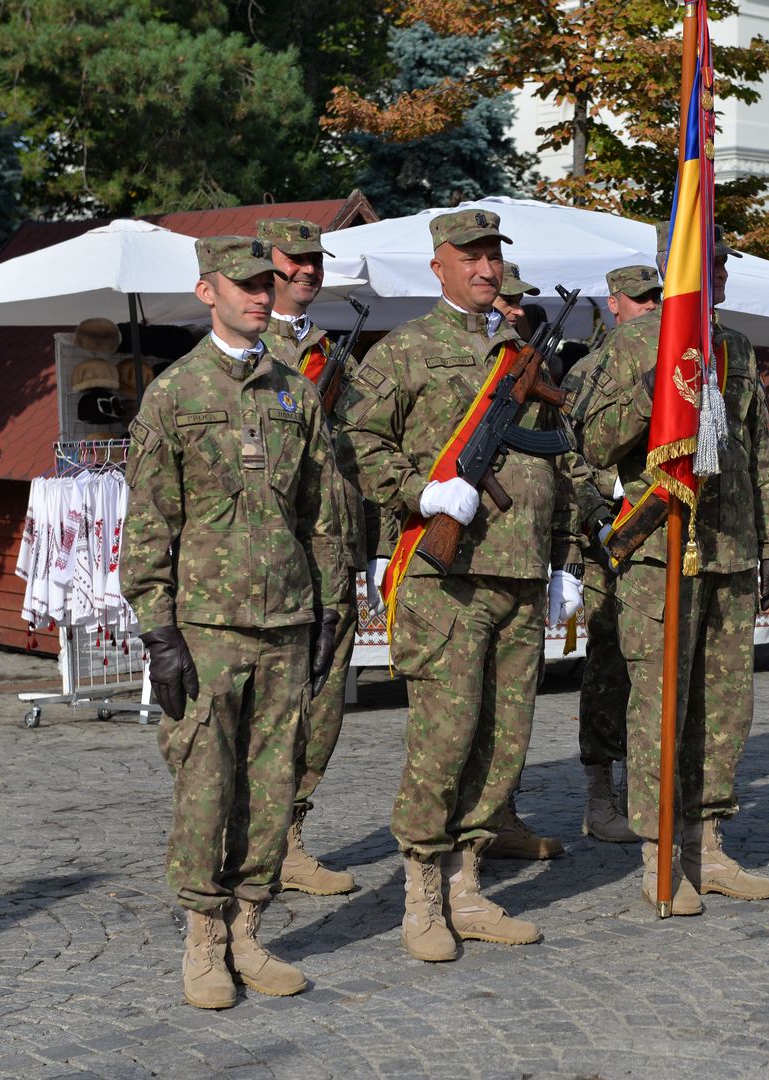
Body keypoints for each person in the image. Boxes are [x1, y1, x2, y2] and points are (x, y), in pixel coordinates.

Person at [339, 208, 582, 962]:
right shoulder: (405, 350)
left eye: (492, 258)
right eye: (469, 257)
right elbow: (355, 444)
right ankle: (421, 894)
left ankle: (469, 885)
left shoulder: (519, 351)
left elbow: (557, 462)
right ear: (437, 264)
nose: (485, 269)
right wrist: (421, 493)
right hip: (446, 578)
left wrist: (566, 557)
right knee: (443, 743)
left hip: (518, 574)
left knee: (503, 742)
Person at [122, 235, 341, 1009]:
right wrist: (158, 629)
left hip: (285, 621)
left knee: (273, 787)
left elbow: (321, 512)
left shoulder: (295, 391)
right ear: (205, 291)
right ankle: (204, 940)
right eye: (242, 284)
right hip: (207, 626)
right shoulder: (175, 394)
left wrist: (328, 608)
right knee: (206, 790)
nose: (260, 295)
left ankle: (250, 929)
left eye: (266, 283)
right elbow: (147, 520)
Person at [579, 226, 769, 914]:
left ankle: (710, 846)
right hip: (659, 552)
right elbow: (593, 440)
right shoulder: (638, 342)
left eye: (724, 264)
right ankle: (658, 853)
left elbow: (756, 454)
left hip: (727, 545)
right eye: (707, 264)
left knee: (725, 706)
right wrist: (650, 388)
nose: (719, 275)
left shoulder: (736, 347)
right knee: (660, 706)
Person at [256, 216, 361, 897]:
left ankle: (290, 840)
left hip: (330, 549)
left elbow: (358, 449)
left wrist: (371, 548)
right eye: (291, 261)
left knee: (321, 700)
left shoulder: (332, 351)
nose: (305, 272)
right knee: (266, 700)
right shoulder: (239, 348)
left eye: (314, 262)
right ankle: (250, 840)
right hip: (265, 552)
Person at [566, 264, 663, 845]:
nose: (651, 306)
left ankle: (641, 788)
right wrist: (599, 513)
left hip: (654, 532)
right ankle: (600, 793)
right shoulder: (588, 369)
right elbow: (574, 452)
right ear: (614, 303)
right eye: (641, 298)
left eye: (657, 297)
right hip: (605, 535)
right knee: (608, 666)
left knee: (650, 667)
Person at [480, 260, 568, 862]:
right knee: (464, 711)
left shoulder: (532, 365)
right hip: (464, 558)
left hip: (526, 555)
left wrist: (565, 556)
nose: (515, 311)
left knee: (513, 710)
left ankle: (501, 812)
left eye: (521, 303)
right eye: (507, 301)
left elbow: (558, 462)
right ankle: (457, 843)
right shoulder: (462, 361)